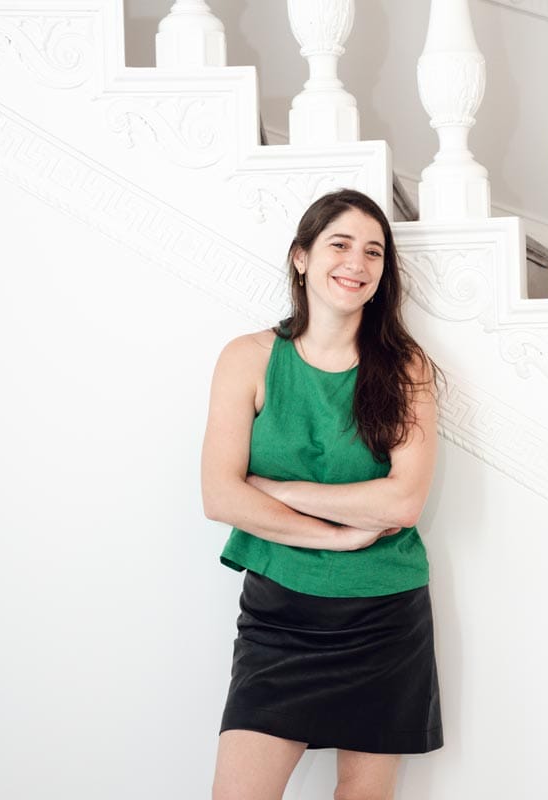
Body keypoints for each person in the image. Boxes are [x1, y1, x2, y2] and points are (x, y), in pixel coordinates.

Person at [201, 188, 443, 800]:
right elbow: (220, 497)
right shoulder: (248, 358)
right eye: (339, 244)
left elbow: (402, 502)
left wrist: (280, 490)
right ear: (301, 257)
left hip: (383, 615)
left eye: (374, 252)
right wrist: (338, 536)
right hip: (278, 619)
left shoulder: (406, 367)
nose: (357, 264)